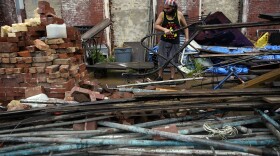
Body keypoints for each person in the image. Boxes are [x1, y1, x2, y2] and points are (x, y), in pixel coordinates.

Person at [154, 0, 189, 81]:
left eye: (168, 9)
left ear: (173, 8)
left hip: (175, 41)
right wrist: (164, 29)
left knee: (172, 59)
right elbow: (156, 25)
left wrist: (187, 38)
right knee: (161, 58)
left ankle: (172, 78)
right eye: (165, 8)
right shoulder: (162, 14)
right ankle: (160, 76)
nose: (166, 10)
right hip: (164, 41)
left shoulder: (179, 14)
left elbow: (185, 27)